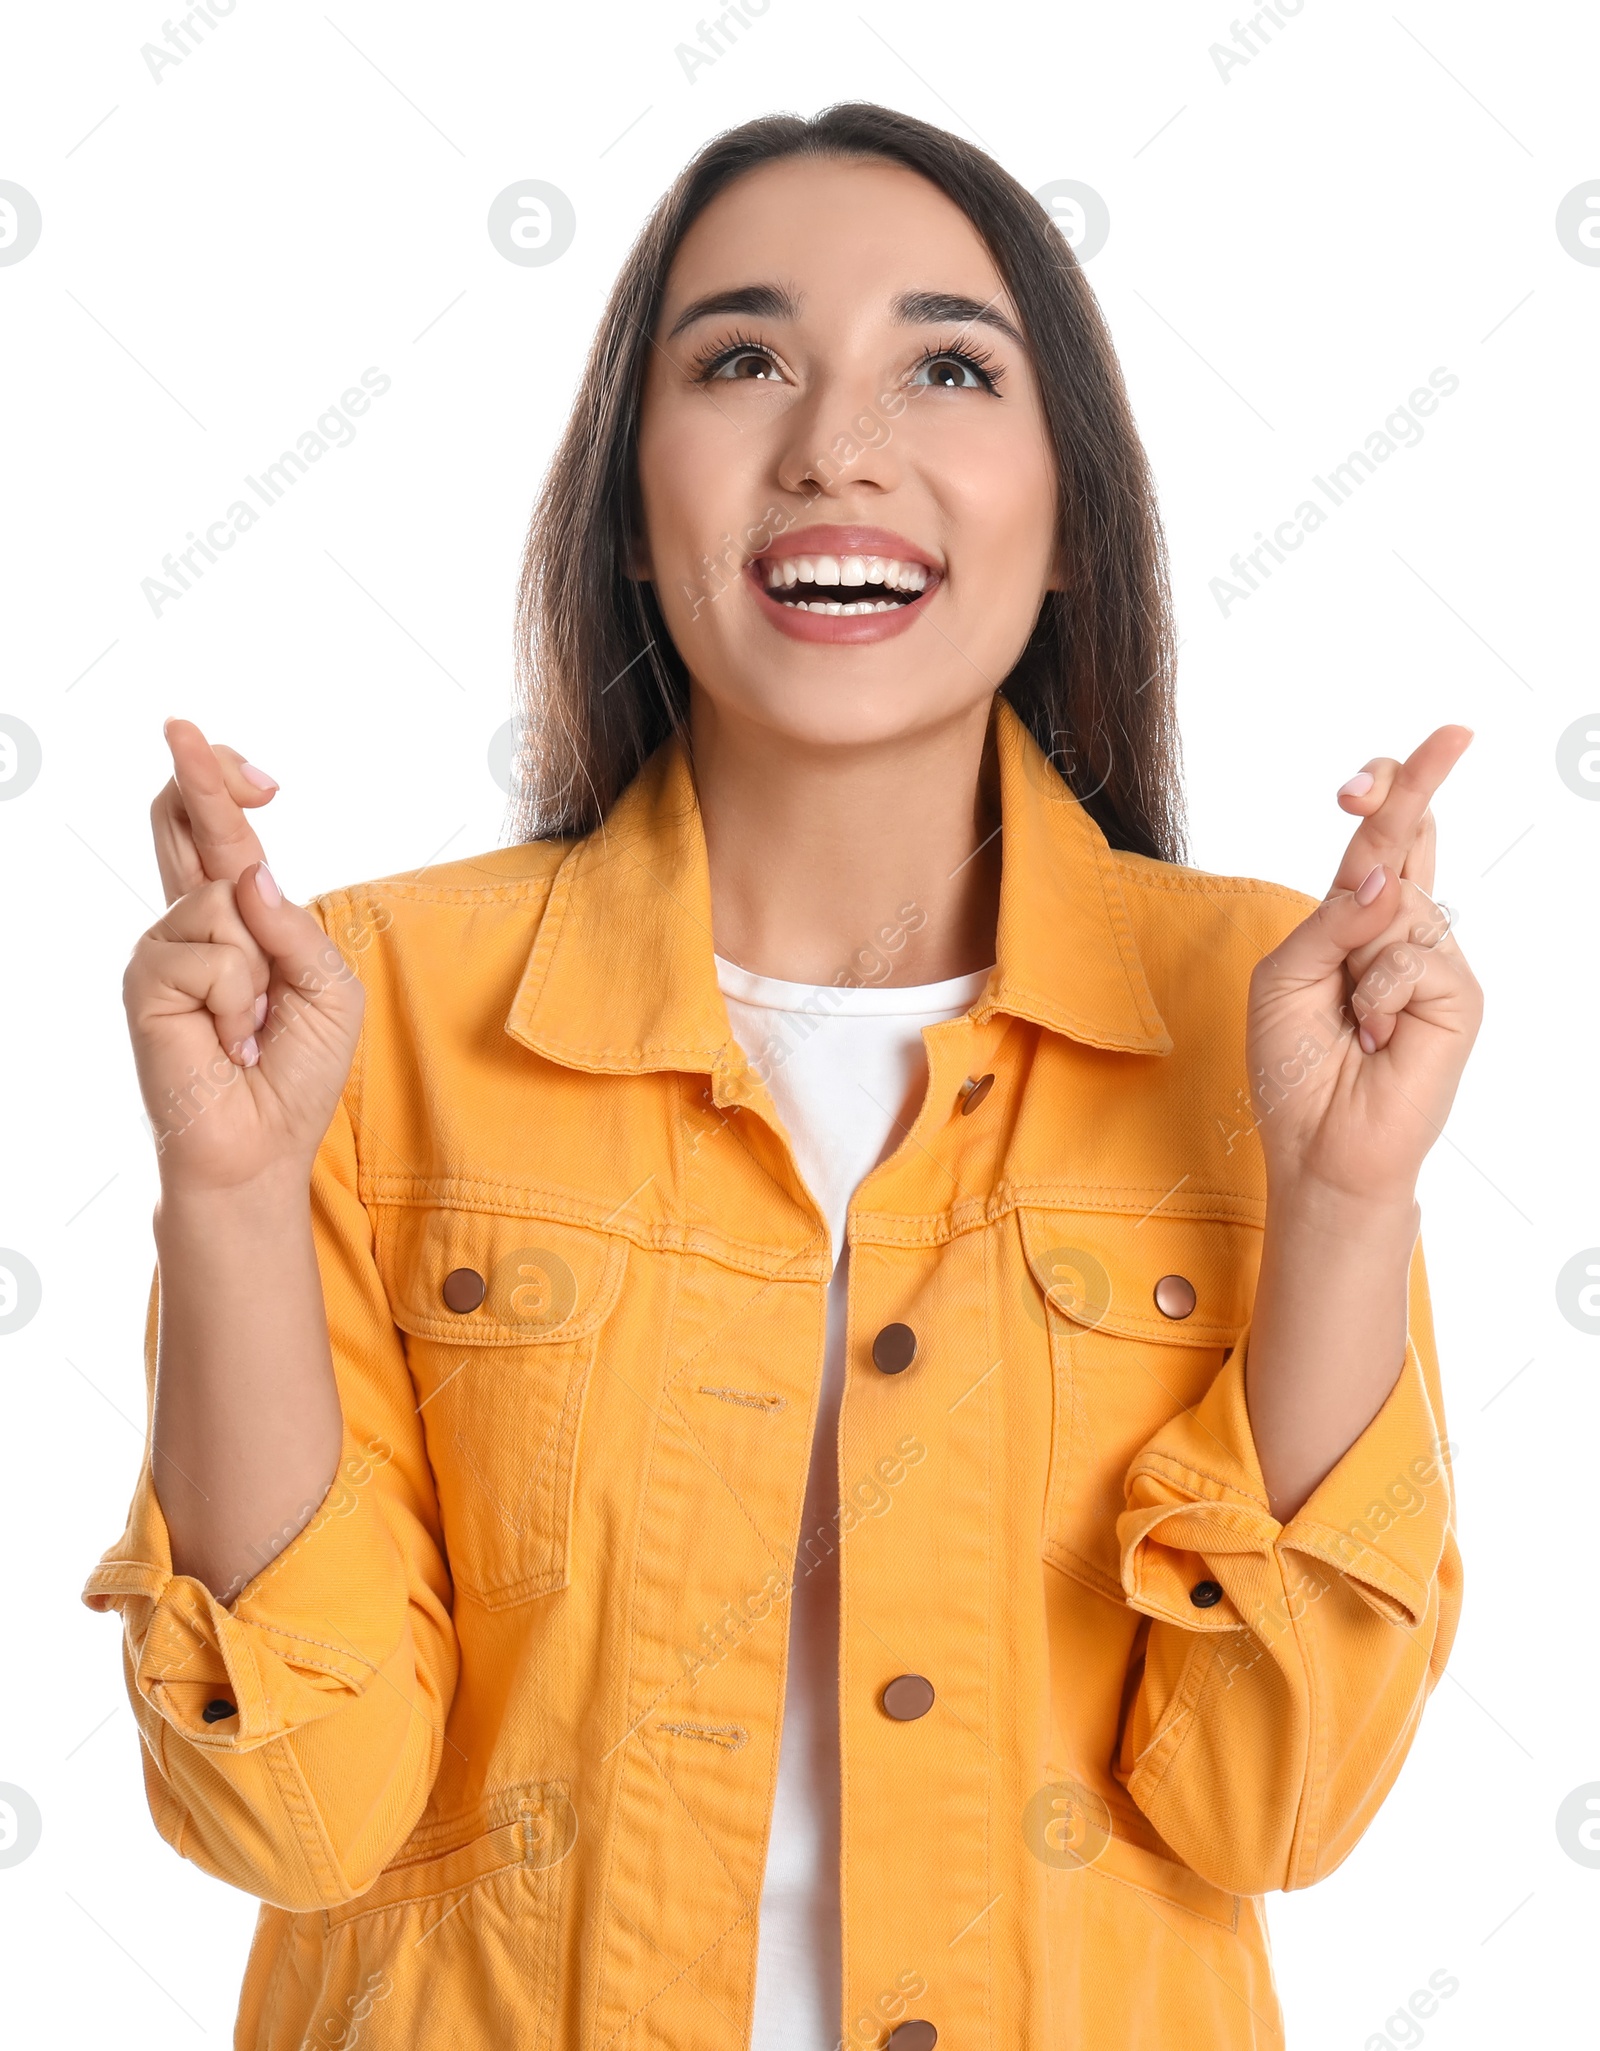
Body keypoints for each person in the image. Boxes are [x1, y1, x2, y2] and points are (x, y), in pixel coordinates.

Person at [86, 102, 1480, 2050]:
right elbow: (293, 1820)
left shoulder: (1262, 1009)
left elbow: (1272, 1807)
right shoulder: (361, 1004)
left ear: (1065, 509)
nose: (835, 442)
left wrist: (1339, 1202)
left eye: (944, 364)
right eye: (740, 359)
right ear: (633, 506)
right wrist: (227, 1192)